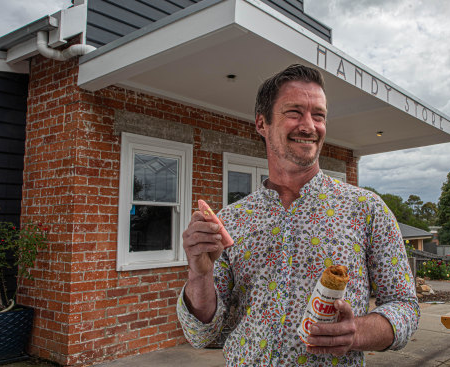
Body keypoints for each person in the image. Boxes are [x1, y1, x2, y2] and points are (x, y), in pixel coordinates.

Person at [177, 64, 419, 366]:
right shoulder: (231, 221)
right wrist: (200, 274)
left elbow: (405, 307)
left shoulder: (366, 210)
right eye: (294, 112)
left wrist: (356, 331)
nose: (309, 125)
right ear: (262, 123)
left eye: (318, 115)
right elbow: (200, 333)